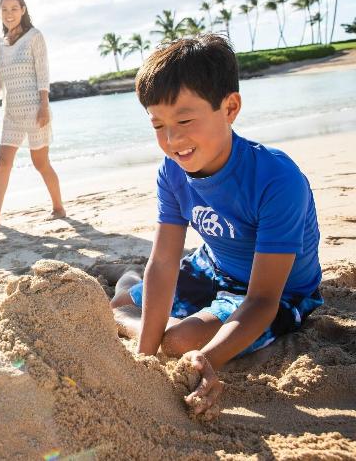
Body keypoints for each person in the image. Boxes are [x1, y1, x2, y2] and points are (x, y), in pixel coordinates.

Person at [109, 34, 323, 417]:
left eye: (185, 120)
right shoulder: (172, 172)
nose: (173, 140)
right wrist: (143, 357)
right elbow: (163, 263)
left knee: (178, 341)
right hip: (213, 264)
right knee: (127, 303)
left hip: (277, 292)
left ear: (230, 107)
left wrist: (207, 359)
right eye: (158, 125)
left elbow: (262, 300)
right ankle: (126, 289)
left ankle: (125, 310)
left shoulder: (277, 179)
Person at [0, 0, 65, 229]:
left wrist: (45, 106)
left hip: (36, 109)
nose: (9, 14)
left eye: (14, 9)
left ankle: (58, 207)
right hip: (12, 113)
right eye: (4, 9)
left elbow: (43, 73)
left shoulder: (34, 36)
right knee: (3, 162)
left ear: (23, 10)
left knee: (41, 163)